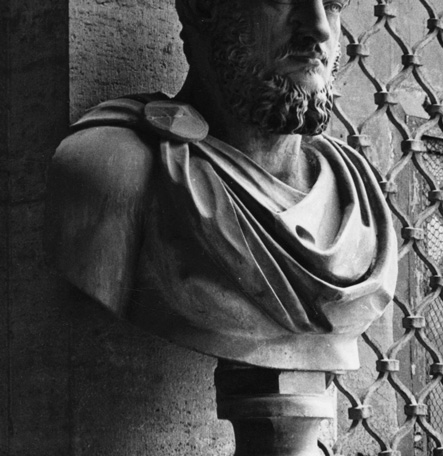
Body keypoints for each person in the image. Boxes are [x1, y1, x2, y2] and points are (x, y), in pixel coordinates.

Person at [46, 0, 396, 372]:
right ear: (201, 9)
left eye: (333, 4)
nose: (319, 29)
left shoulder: (356, 192)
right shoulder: (117, 170)